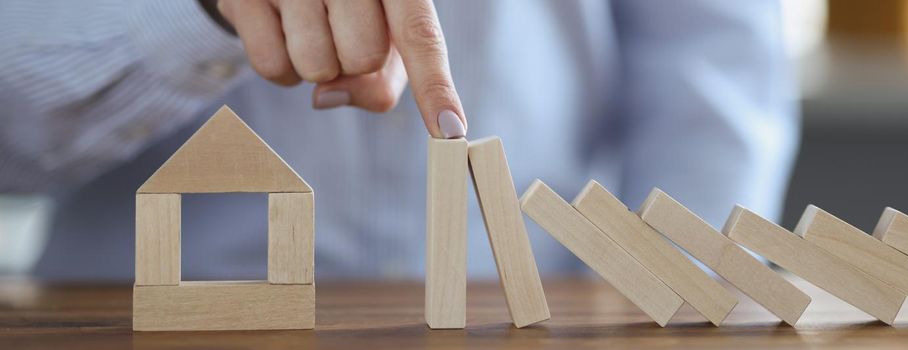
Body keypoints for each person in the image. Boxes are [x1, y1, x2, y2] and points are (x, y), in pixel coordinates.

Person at [0, 0, 799, 281]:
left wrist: (674, 298)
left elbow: (710, 70)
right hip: (129, 309)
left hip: (533, 303)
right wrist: (194, 12)